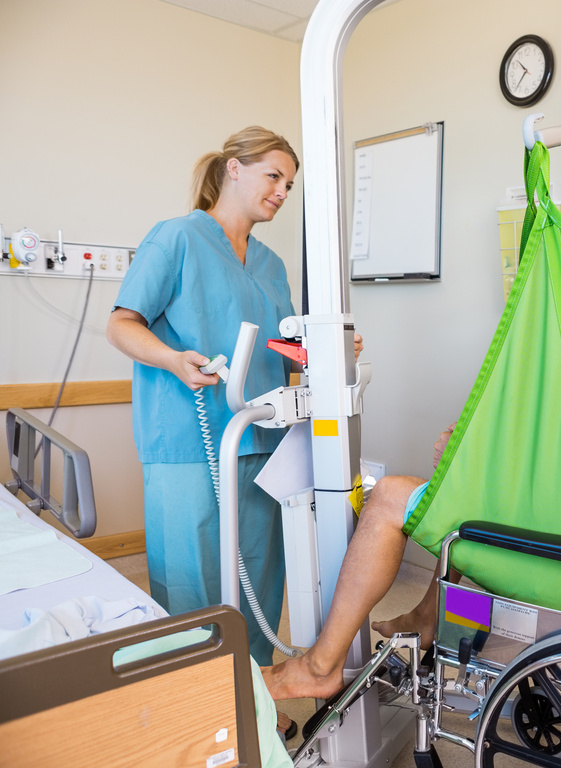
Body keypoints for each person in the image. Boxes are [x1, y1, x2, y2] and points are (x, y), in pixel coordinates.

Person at [263, 232, 561, 701]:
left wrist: (466, 456)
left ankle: (320, 666)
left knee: (391, 497)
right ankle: (427, 616)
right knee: (466, 490)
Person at [106, 127, 361, 668]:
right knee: (192, 579)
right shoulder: (175, 238)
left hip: (262, 436)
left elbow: (284, 345)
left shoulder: (271, 263)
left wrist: (330, 349)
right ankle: (197, 703)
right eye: (274, 176)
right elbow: (122, 324)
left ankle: (256, 701)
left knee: (258, 576)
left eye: (289, 184)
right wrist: (174, 360)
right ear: (234, 169)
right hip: (187, 437)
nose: (282, 192)